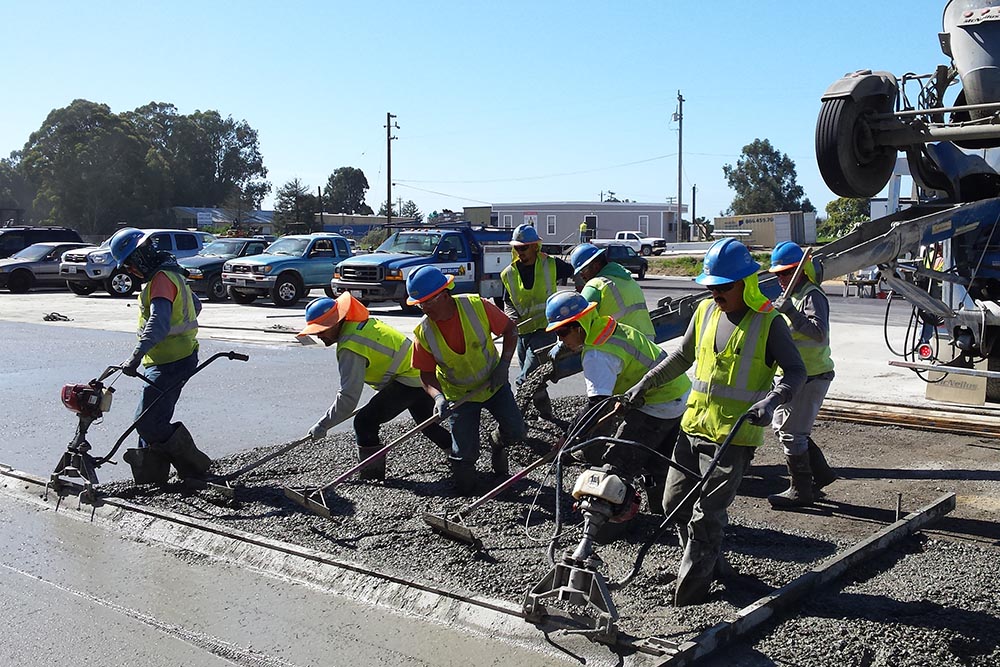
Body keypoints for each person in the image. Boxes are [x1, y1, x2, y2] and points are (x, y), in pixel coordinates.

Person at [621, 238, 806, 606]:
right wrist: (646, 381)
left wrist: (772, 401)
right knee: (674, 502)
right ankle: (714, 565)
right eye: (711, 286)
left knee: (707, 516)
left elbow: (796, 371)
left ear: (744, 284)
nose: (715, 292)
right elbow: (681, 357)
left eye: (722, 287)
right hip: (692, 428)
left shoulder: (768, 323)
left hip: (733, 437)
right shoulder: (705, 311)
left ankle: (690, 594)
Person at [544, 291, 691, 514]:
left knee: (616, 465)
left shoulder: (597, 354)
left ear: (578, 326)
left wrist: (569, 438)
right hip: (679, 391)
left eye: (562, 332)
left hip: (658, 403)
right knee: (658, 464)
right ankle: (663, 516)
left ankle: (608, 523)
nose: (560, 340)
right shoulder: (608, 326)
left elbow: (597, 405)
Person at [298, 293, 453, 480]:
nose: (318, 334)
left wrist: (323, 425)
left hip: (409, 379)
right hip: (418, 372)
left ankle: (372, 475)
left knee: (365, 422)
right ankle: (459, 455)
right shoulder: (362, 325)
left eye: (322, 329)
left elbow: (348, 397)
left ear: (336, 322)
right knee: (427, 425)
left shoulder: (350, 346)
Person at [407, 265, 527, 494]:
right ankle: (467, 492)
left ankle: (497, 443)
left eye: (427, 302)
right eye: (419, 303)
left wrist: (503, 365)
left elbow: (510, 330)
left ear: (444, 293)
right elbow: (426, 373)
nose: (424, 308)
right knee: (463, 456)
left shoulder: (476, 306)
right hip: (459, 394)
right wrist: (438, 397)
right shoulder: (424, 333)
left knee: (517, 432)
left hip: (493, 383)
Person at [110, 227, 212, 488]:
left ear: (140, 257)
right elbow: (195, 306)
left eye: (131, 265)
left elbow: (158, 323)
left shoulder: (162, 279)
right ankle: (151, 481)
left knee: (147, 421)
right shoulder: (170, 274)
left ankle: (196, 467)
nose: (131, 271)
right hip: (173, 357)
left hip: (173, 361)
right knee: (149, 418)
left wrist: (134, 358)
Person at [765, 242, 838, 508]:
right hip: (794, 376)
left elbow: (819, 333)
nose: (780, 279)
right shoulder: (792, 297)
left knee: (792, 434)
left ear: (800, 270)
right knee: (784, 428)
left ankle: (801, 490)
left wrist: (791, 313)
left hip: (812, 375)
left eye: (785, 273)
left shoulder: (811, 295)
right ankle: (818, 476)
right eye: (778, 274)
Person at [500, 224, 574, 422]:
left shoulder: (550, 264)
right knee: (536, 378)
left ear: (535, 246)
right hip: (523, 332)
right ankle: (546, 414)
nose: (520, 252)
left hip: (546, 330)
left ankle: (512, 420)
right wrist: (511, 317)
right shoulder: (509, 273)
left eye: (523, 248)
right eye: (517, 248)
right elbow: (507, 300)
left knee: (526, 376)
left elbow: (578, 271)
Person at [570, 243, 655, 338]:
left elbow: (578, 324)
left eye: (583, 270)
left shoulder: (595, 285)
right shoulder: (628, 280)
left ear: (596, 265)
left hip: (622, 341)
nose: (581, 276)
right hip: (647, 340)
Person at [917, 242, 945, 346]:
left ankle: (923, 340)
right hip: (931, 290)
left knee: (932, 317)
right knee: (929, 316)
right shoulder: (930, 253)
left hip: (940, 291)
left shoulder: (946, 256)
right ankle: (923, 341)